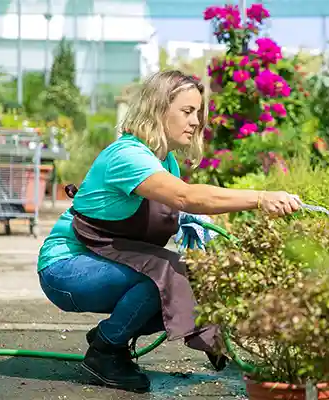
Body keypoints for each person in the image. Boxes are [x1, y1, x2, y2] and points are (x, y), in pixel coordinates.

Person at [36, 70, 303, 393]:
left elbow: (176, 207)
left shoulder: (167, 163)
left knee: (187, 282)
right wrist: (260, 198)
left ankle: (112, 336)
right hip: (65, 269)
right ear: (157, 110)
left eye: (198, 113)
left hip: (105, 267)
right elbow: (186, 197)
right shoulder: (127, 156)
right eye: (187, 112)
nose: (196, 122)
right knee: (162, 277)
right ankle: (105, 351)